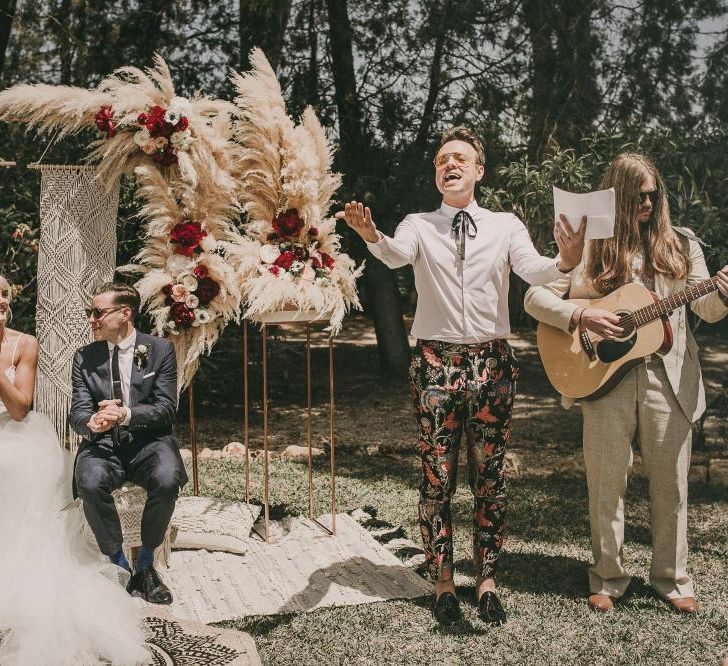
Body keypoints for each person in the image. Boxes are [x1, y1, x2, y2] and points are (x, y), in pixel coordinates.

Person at [337, 126, 585, 626]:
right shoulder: (418, 223)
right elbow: (395, 254)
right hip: (435, 364)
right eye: (441, 160)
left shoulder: (504, 224)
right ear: (437, 174)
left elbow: (535, 270)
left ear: (478, 171)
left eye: (460, 158)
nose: (449, 164)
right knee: (437, 478)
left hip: (492, 363)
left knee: (490, 478)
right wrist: (370, 236)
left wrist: (567, 260)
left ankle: (487, 580)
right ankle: (444, 582)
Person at [524, 152, 728, 613]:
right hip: (604, 378)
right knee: (606, 482)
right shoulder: (590, 246)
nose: (650, 203)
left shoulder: (682, 244)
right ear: (616, 196)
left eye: (655, 195)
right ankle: (608, 577)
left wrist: (721, 294)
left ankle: (673, 580)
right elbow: (535, 297)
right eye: (639, 195)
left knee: (672, 486)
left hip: (670, 378)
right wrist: (582, 314)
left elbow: (706, 311)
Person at [0, 274, 148, 665]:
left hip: (11, 435)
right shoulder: (85, 355)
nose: (0, 299)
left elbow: (19, 408)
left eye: (3, 292)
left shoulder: (23, 343)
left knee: (12, 465)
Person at [70, 281, 188, 604]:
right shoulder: (84, 357)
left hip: (148, 443)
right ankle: (120, 566)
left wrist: (125, 414)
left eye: (98, 313)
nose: (91, 319)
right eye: (89, 312)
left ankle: (147, 565)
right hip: (103, 446)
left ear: (125, 313)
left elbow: (166, 408)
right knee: (89, 482)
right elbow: (77, 411)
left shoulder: (160, 350)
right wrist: (91, 422)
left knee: (167, 478)